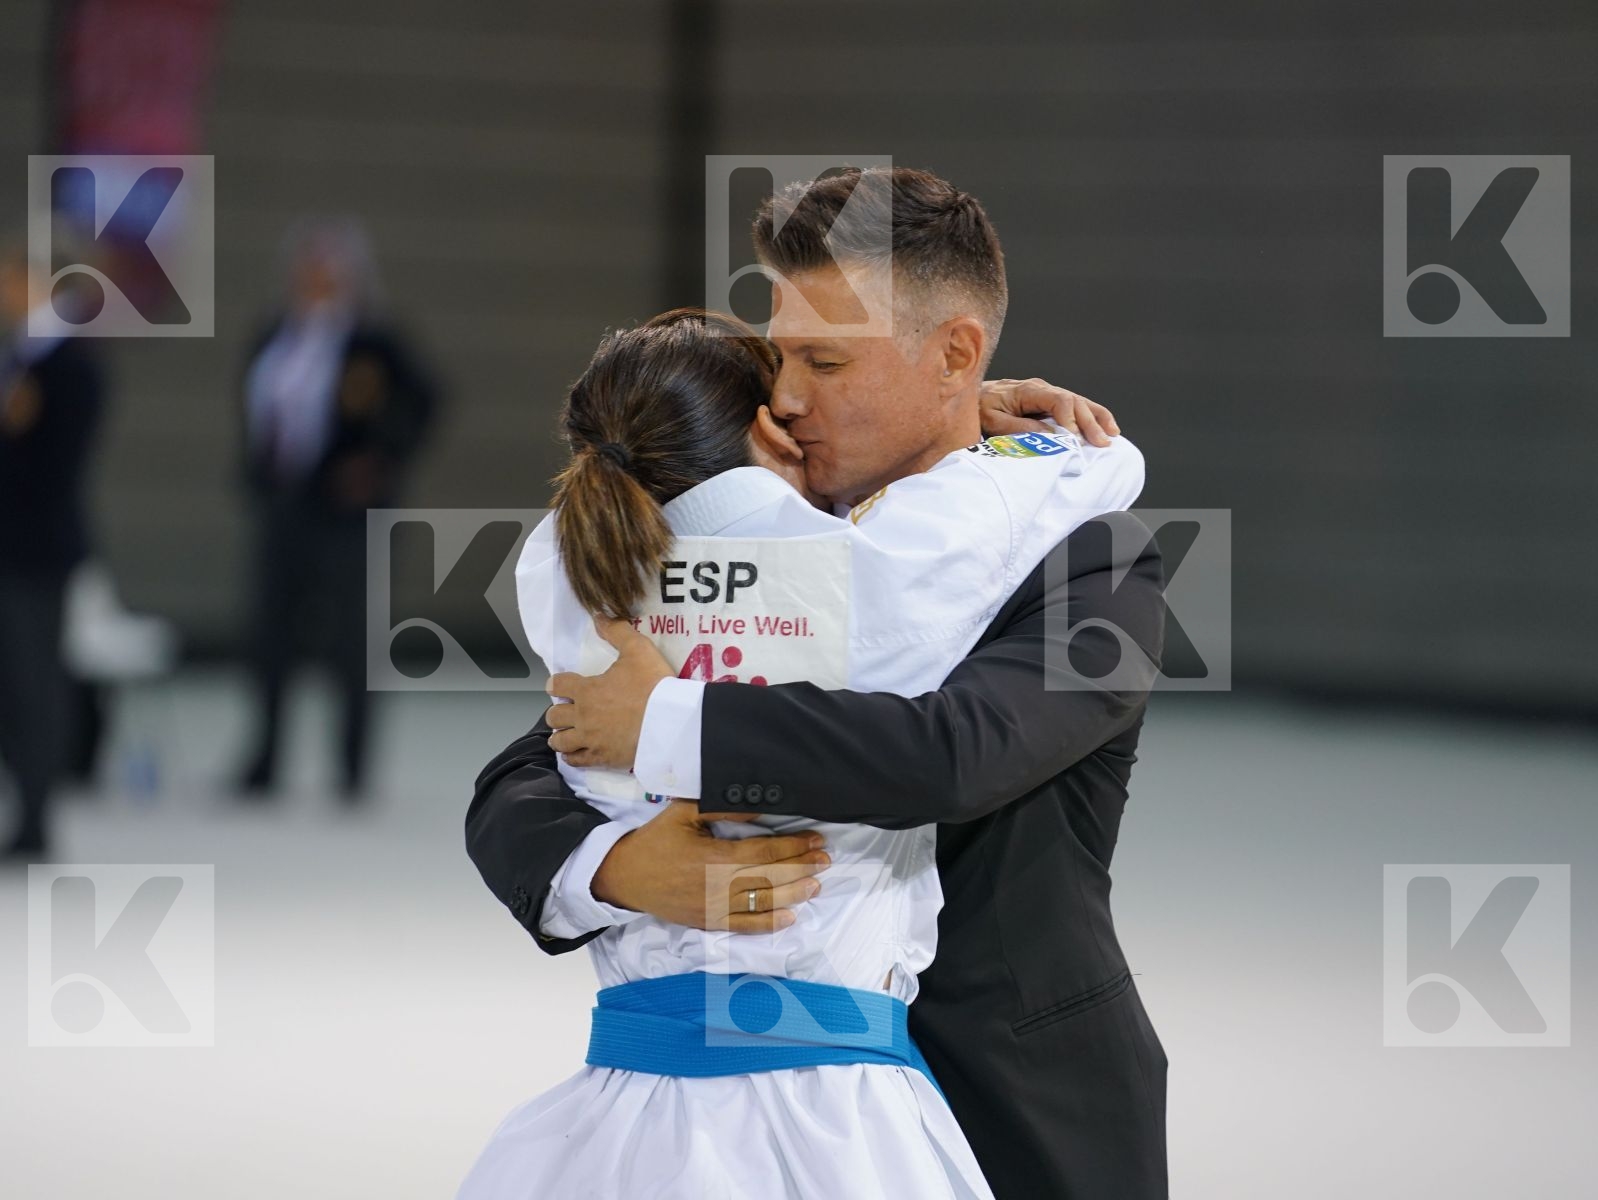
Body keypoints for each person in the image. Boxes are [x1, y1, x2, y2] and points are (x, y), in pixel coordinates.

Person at [468, 168, 1169, 1198]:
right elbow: (529, 773)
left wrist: (669, 724)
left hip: (1013, 1105)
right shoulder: (750, 542)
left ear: (956, 356)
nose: (786, 400)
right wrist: (619, 867)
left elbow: (955, 753)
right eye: (777, 361)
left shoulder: (1088, 557)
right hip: (739, 1120)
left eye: (825, 361)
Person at [234, 218, 438, 801]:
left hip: (352, 514)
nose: (315, 280)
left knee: (352, 641)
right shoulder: (277, 332)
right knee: (270, 635)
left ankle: (351, 767)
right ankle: (265, 758)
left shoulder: (375, 339)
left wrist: (381, 460)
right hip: (286, 504)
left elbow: (425, 402)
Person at [0, 234, 107, 862]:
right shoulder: (22, 354)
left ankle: (37, 817)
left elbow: (53, 461)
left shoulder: (69, 363)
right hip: (13, 546)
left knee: (36, 683)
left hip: (35, 551)